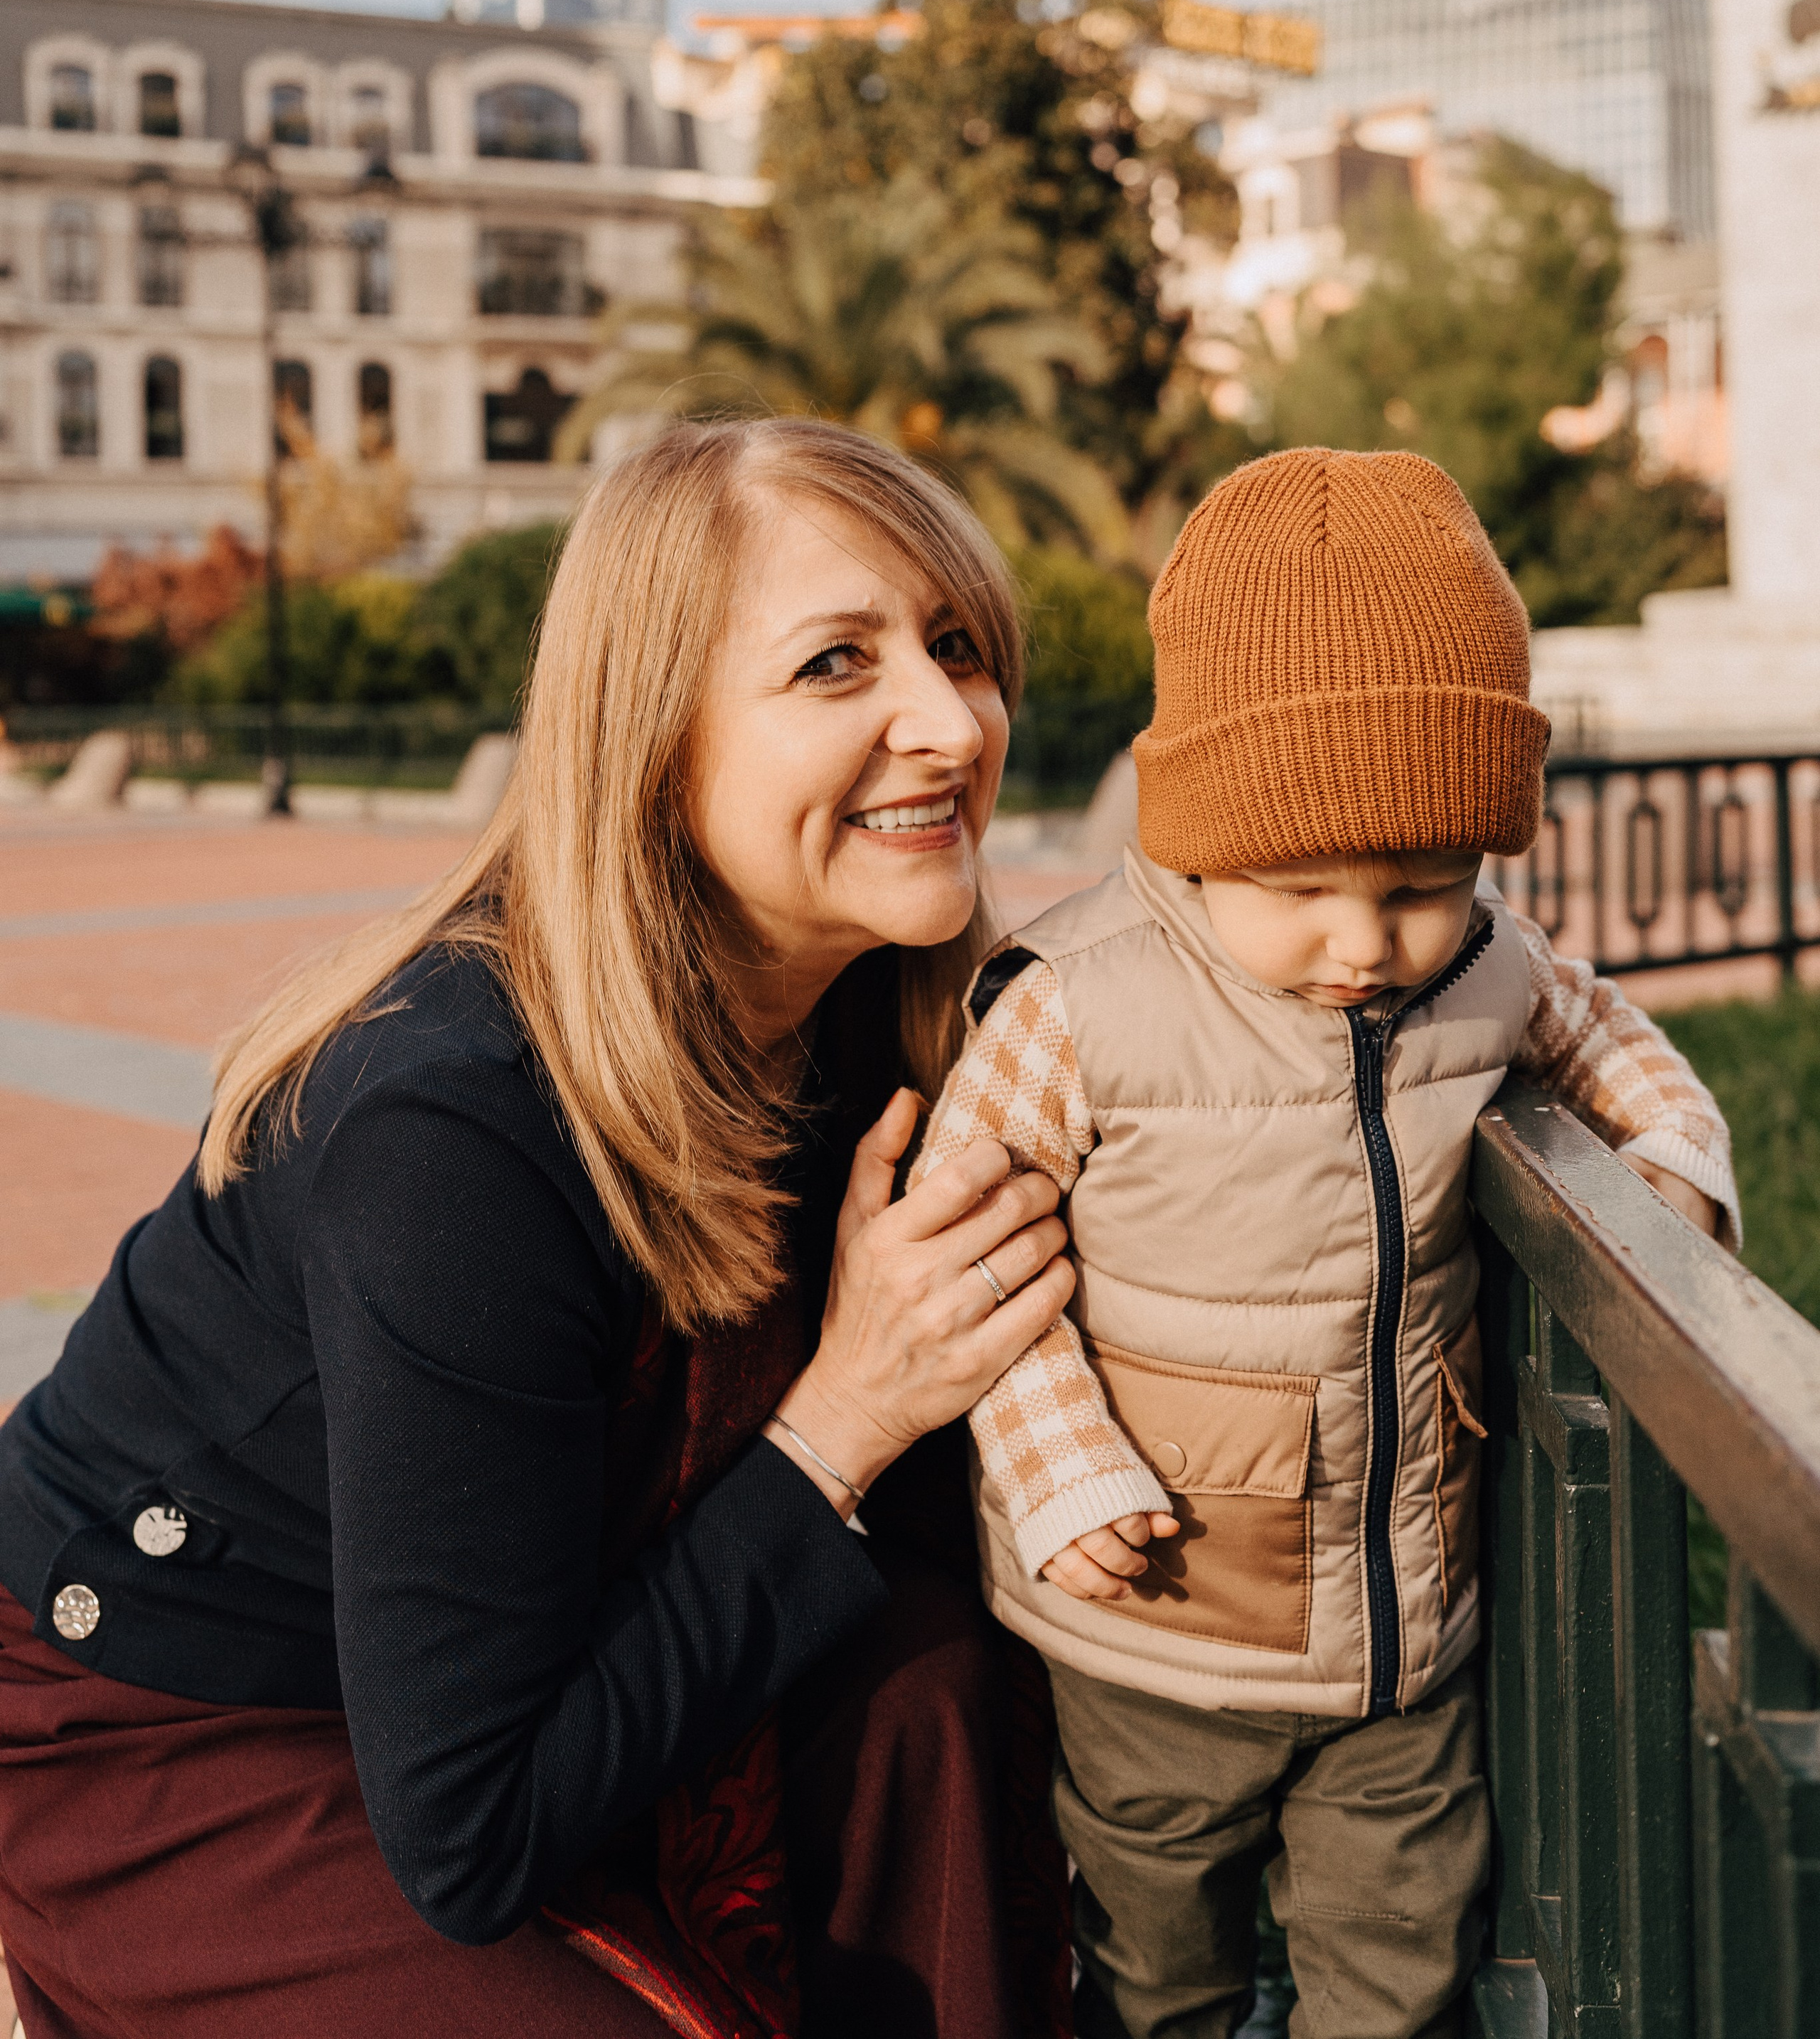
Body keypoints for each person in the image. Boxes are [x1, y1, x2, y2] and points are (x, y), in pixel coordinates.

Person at [0, 419, 1080, 2039]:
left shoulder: (878, 1023)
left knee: (926, 1676)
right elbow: (473, 1828)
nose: (946, 723)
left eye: (956, 650)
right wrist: (844, 1415)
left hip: (530, 1633)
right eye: (835, 665)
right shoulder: (454, 1131)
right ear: (653, 735)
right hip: (174, 1712)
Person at [915, 447, 1740, 2039]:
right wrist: (1056, 1463)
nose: (1365, 942)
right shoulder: (1076, 1001)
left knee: (1401, 1953)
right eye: (1302, 887)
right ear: (1198, 838)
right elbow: (970, 1252)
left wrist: (1672, 1160)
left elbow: (1610, 1039)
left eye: (1423, 884)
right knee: (1157, 1961)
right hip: (1149, 1623)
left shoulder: (1487, 963)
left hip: (1400, 1641)